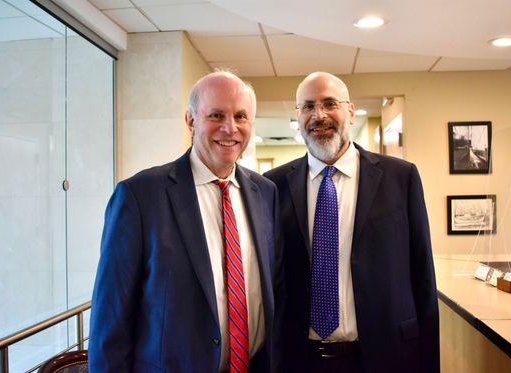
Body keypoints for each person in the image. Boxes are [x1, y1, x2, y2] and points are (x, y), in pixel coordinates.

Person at [89, 71, 283, 373]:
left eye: (241, 116)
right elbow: (110, 318)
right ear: (191, 121)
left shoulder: (265, 193)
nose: (230, 128)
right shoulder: (140, 196)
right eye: (216, 115)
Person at [264, 72, 439, 373]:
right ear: (298, 116)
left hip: (386, 356)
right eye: (307, 106)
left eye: (329, 103)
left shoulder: (401, 178)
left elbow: (422, 275)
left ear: (350, 111)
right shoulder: (272, 186)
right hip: (299, 359)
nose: (318, 115)